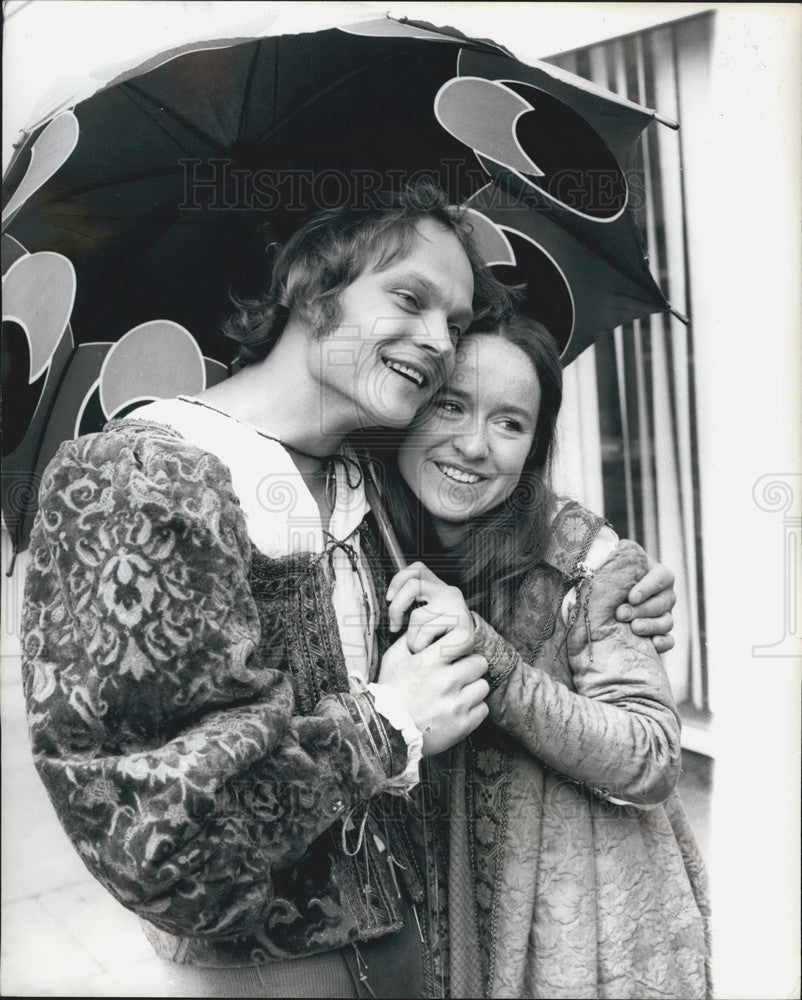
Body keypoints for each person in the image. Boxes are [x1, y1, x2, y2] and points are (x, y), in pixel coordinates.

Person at [19, 182, 676, 999]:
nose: (439, 340)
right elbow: (155, 842)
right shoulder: (143, 475)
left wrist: (611, 572)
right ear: (309, 284)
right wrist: (387, 725)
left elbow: (502, 515)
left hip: (415, 955)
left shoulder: (366, 481)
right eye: (410, 297)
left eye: (458, 322)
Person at [376, 313, 712, 999]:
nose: (474, 445)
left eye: (510, 423)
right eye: (451, 405)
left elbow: (652, 756)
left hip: (577, 935)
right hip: (426, 921)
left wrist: (494, 662)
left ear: (534, 448)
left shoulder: (586, 558)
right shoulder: (360, 534)